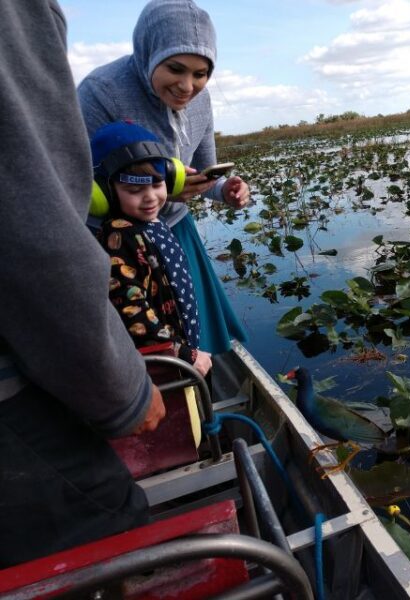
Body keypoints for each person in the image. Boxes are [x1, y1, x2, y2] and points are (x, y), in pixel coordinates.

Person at [0, 0, 165, 568]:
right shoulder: (114, 242)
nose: (152, 196)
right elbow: (37, 234)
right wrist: (125, 392)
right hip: (15, 401)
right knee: (109, 535)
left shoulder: (154, 230)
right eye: (135, 186)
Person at [78, 0, 249, 355]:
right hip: (115, 244)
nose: (187, 86)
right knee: (137, 344)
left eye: (201, 74)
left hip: (173, 233)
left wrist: (223, 190)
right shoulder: (100, 92)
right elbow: (79, 188)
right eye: (175, 69)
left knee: (190, 334)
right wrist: (164, 191)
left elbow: (202, 176)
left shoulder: (201, 101)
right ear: (149, 53)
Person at [92, 121, 213, 376]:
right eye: (134, 189)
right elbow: (132, 310)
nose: (150, 197)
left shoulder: (155, 221)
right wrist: (183, 353)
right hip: (161, 361)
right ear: (105, 191)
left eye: (157, 185)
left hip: (180, 346)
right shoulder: (119, 235)